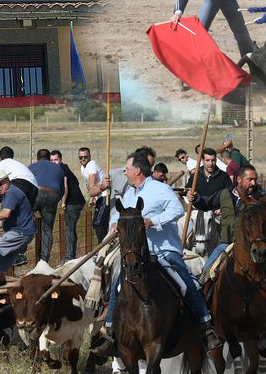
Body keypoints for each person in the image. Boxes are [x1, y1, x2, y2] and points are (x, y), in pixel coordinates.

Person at [94, 152, 221, 355]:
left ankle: (206, 327)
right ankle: (110, 334)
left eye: (127, 169)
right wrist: (114, 225)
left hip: (164, 251)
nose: (125, 172)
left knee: (185, 283)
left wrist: (153, 221)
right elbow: (117, 215)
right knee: (117, 286)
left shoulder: (160, 189)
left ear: (138, 170)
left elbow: (177, 210)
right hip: (137, 253)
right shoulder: (129, 194)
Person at [188, 165, 266, 307]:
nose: (253, 183)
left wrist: (264, 214)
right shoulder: (224, 194)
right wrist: (196, 198)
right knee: (208, 270)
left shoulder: (259, 197)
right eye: (250, 179)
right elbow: (206, 203)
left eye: (255, 180)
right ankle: (204, 304)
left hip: (253, 244)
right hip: (227, 243)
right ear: (239, 180)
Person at [0, 170, 38, 271]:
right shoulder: (10, 193)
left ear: (7, 180)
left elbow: (5, 214)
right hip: (24, 232)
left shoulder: (12, 193)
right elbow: (7, 220)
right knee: (1, 263)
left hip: (20, 232)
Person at [29, 148, 66, 263]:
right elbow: (62, 189)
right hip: (53, 195)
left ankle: (20, 253)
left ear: (37, 158)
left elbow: (26, 185)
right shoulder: (59, 168)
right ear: (49, 157)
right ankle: (44, 261)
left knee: (24, 220)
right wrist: (55, 200)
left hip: (37, 193)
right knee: (47, 230)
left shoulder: (31, 167)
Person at [51, 150, 86, 260]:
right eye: (51, 160)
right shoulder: (62, 168)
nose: (54, 162)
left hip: (73, 202)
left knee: (69, 228)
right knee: (70, 228)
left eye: (56, 160)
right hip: (75, 201)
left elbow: (65, 187)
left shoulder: (62, 169)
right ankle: (71, 254)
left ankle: (70, 256)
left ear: (60, 159)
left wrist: (63, 202)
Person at [79, 146, 111, 241]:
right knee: (101, 223)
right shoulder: (82, 167)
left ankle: (103, 246)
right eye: (81, 157)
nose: (83, 159)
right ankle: (104, 245)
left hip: (105, 195)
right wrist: (92, 198)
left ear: (90, 156)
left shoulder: (91, 164)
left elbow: (92, 180)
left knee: (98, 223)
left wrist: (92, 194)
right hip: (98, 196)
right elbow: (88, 184)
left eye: (85, 157)